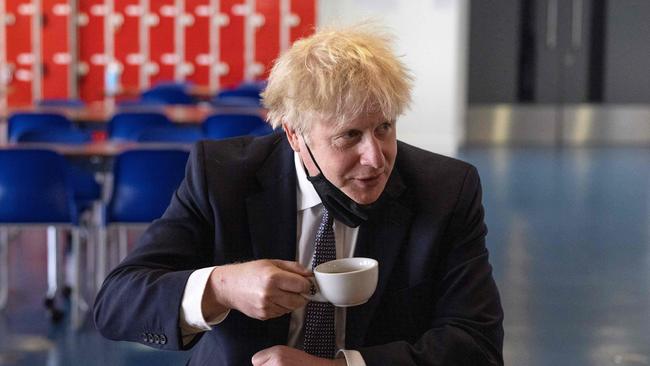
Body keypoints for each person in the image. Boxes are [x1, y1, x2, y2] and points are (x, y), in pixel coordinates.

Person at [94, 23, 504, 366]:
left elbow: (476, 344)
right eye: (350, 136)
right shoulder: (222, 177)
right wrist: (221, 287)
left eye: (384, 127)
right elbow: (117, 303)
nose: (376, 158)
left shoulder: (446, 188)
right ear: (294, 134)